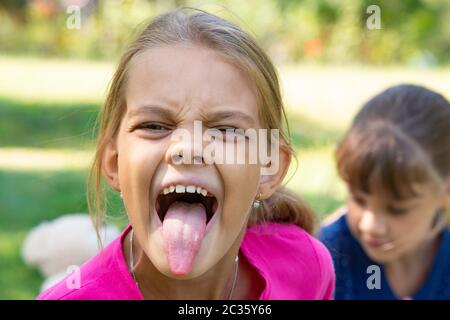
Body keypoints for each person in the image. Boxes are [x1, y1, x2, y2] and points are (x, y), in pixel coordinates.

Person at [38, 8, 334, 300]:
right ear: (114, 163)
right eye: (154, 125)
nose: (188, 149)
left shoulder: (307, 268)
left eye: (226, 131)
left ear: (268, 165)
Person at [318, 84, 450, 299]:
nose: (370, 225)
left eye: (397, 209)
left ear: (446, 190)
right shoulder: (326, 260)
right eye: (359, 200)